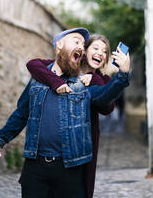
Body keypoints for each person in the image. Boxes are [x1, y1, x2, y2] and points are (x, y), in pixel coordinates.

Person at [0, 27, 131, 198]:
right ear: (59, 45)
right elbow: (22, 113)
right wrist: (1, 138)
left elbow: (104, 97)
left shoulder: (81, 83)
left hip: (69, 167)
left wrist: (123, 75)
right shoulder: (39, 78)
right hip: (35, 167)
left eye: (82, 44)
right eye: (76, 42)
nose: (80, 46)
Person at [26, 34, 115, 198]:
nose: (100, 53)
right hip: (56, 150)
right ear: (85, 51)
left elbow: (108, 107)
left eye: (104, 51)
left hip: (84, 147)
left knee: (81, 188)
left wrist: (93, 78)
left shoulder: (102, 79)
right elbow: (33, 64)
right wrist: (56, 82)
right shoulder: (68, 69)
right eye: (95, 48)